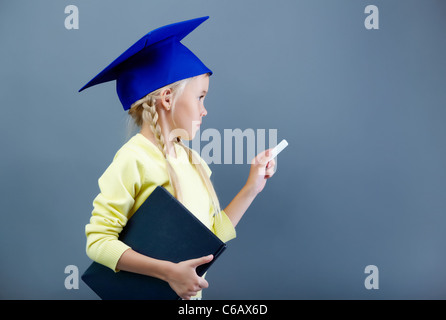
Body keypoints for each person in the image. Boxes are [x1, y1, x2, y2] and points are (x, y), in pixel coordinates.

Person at [80, 16, 276, 300]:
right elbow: (98, 242)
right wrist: (168, 272)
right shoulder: (133, 160)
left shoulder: (194, 161)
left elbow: (209, 240)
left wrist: (251, 188)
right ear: (168, 99)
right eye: (200, 97)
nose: (204, 110)